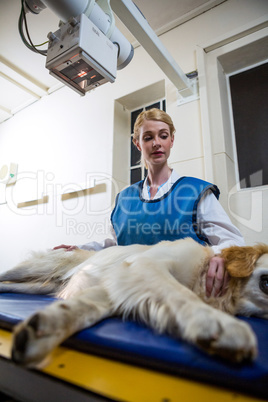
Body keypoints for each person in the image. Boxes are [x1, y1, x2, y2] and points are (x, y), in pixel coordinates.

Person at [54, 108, 245, 298]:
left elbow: (233, 243)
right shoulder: (125, 198)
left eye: (163, 136)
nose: (156, 143)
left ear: (171, 140)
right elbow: (116, 245)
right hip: (131, 296)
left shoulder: (196, 192)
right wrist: (80, 250)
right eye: (148, 138)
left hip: (184, 297)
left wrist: (220, 254)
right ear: (137, 144)